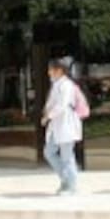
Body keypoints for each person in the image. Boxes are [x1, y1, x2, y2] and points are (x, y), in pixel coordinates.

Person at [40, 57, 82, 195]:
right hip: (57, 125)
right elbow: (52, 102)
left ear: (59, 70)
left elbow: (62, 105)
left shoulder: (66, 85)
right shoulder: (56, 84)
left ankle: (71, 186)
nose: (49, 72)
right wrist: (46, 111)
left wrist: (48, 116)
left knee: (67, 156)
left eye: (51, 69)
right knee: (49, 152)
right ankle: (65, 179)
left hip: (66, 124)